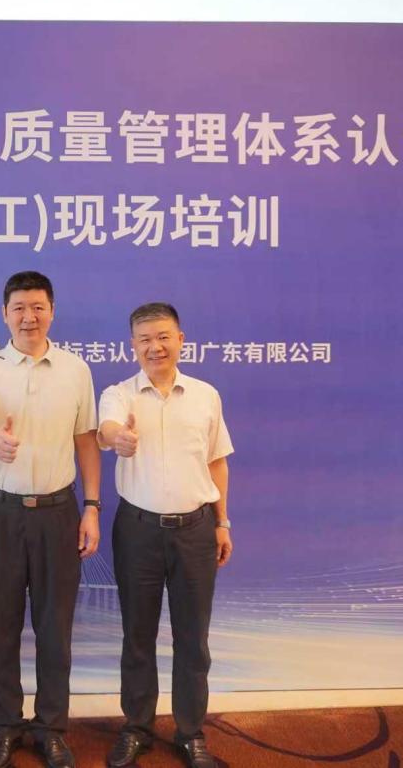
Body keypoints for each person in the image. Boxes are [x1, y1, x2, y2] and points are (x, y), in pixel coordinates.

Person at [0, 271, 102, 768]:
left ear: (52, 311)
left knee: (54, 626)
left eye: (38, 307)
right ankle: (4, 725)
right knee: (0, 624)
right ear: (5, 314)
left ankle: (51, 727)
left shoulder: (75, 369)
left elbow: (86, 440)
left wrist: (91, 507)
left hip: (58, 512)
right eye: (19, 308)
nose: (29, 316)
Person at [98, 303, 234, 768]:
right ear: (132, 346)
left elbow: (217, 461)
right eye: (144, 339)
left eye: (163, 337)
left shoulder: (205, 396)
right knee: (137, 635)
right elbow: (107, 430)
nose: (154, 347)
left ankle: (191, 733)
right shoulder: (119, 394)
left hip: (196, 530)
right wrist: (118, 438)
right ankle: (137, 728)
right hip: (137, 532)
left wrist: (222, 522)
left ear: (180, 340)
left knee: (193, 639)